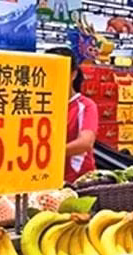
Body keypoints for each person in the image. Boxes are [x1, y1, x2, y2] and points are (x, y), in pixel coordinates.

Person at [47, 46, 98, 184]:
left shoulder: (85, 106)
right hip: (45, 177)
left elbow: (85, 143)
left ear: (73, 74)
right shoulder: (40, 104)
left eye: (59, 71)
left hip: (77, 180)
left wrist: (46, 154)